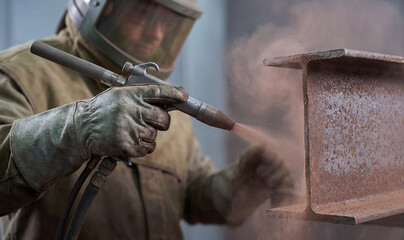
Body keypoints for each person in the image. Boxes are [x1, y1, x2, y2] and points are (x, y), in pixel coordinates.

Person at [0, 0, 293, 239]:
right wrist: (80, 127)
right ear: (98, 6)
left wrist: (243, 181)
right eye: (144, 14)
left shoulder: (159, 97)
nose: (157, 33)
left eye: (169, 23)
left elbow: (192, 196)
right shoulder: (21, 74)